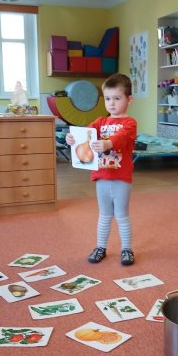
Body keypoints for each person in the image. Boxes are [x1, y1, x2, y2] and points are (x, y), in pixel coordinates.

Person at [66, 73, 137, 265]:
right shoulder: (100, 122)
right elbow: (84, 134)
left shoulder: (130, 123)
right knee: (104, 215)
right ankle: (100, 247)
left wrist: (107, 144)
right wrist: (72, 138)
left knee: (122, 215)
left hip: (121, 178)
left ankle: (127, 249)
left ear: (129, 99)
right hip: (102, 177)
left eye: (117, 98)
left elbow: (122, 137)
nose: (111, 103)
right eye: (107, 98)